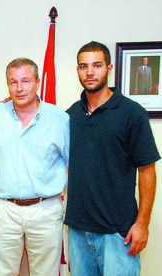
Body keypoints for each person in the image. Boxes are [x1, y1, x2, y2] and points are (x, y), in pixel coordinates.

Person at [65, 41, 160, 276]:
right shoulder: (70, 115)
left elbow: (147, 171)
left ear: (109, 68)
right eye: (83, 66)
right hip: (78, 231)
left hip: (118, 232)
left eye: (96, 65)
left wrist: (142, 224)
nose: (89, 72)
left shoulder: (131, 113)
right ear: (77, 70)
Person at [0, 58, 69, 276]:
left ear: (38, 82)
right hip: (4, 209)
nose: (19, 88)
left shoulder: (59, 119)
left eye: (25, 81)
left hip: (46, 210)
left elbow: (74, 165)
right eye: (13, 82)